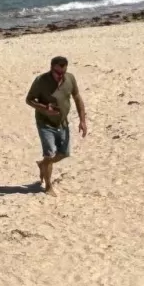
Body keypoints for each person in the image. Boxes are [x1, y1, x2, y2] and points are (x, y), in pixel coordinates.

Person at [25, 55, 87, 193]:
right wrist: (44, 108)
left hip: (62, 123)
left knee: (64, 154)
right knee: (49, 154)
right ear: (51, 68)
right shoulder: (41, 80)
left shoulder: (70, 78)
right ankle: (48, 186)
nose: (61, 76)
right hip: (45, 123)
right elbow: (29, 100)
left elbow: (77, 98)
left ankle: (43, 164)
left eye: (63, 72)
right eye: (58, 72)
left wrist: (82, 121)